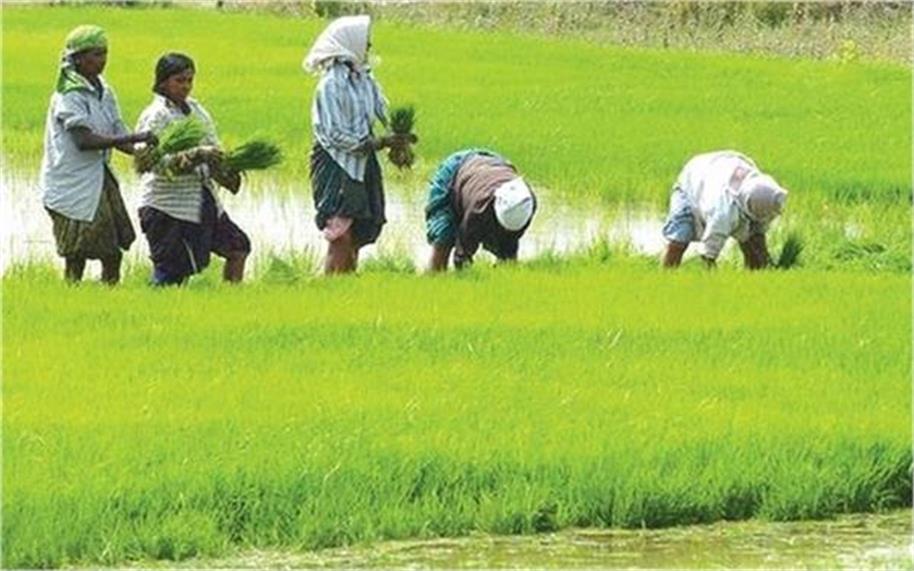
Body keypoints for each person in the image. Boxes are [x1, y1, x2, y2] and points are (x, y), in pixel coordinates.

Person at [39, 25, 156, 284]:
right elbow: (84, 141)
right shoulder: (68, 95)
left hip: (98, 179)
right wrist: (135, 138)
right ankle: (73, 299)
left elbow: (116, 130)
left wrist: (145, 153)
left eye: (104, 53)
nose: (101, 60)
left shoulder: (104, 90)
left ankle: (107, 302)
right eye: (94, 54)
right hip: (72, 183)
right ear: (77, 58)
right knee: (77, 253)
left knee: (112, 250)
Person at [304, 15, 410, 274]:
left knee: (360, 228)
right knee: (340, 232)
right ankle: (331, 289)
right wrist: (376, 142)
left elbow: (382, 109)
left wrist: (400, 138)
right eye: (366, 43)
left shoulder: (365, 80)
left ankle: (347, 286)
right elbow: (333, 135)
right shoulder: (329, 86)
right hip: (336, 163)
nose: (369, 48)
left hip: (363, 161)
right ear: (350, 44)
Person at [134, 53, 250, 286]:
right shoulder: (156, 115)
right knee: (172, 272)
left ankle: (232, 301)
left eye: (189, 80)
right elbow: (151, 163)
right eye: (179, 80)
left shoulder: (197, 111)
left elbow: (214, 148)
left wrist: (227, 166)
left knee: (238, 247)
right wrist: (197, 155)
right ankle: (154, 311)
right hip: (167, 207)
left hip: (203, 201)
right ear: (163, 81)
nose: (186, 86)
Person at [662, 150, 788, 269]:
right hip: (692, 181)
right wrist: (711, 277)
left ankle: (756, 274)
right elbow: (708, 252)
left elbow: (759, 232)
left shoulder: (764, 190)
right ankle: (667, 277)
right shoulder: (723, 212)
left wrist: (764, 260)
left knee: (753, 238)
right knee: (680, 236)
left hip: (720, 166)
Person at [425, 149, 537, 271]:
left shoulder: (527, 202)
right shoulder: (478, 211)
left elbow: (511, 242)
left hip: (493, 164)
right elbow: (462, 256)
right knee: (444, 237)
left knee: (507, 257)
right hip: (455, 172)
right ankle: (434, 278)